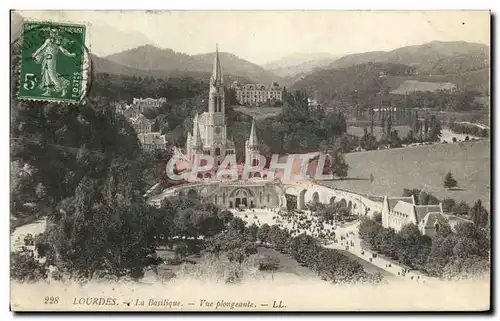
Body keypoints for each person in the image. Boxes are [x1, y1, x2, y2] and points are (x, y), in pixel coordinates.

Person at [32, 28, 76, 97]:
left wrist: (70, 55)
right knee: (46, 73)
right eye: (52, 32)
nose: (53, 34)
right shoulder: (53, 41)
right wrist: (35, 54)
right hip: (47, 58)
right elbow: (42, 48)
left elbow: (63, 50)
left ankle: (60, 87)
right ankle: (49, 91)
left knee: (51, 74)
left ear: (56, 34)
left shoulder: (54, 41)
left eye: (54, 33)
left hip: (50, 58)